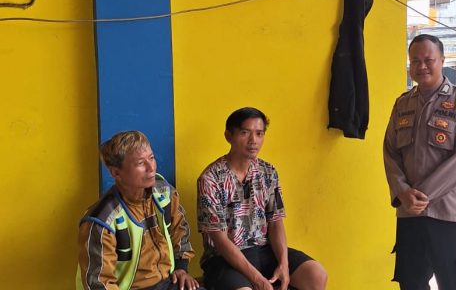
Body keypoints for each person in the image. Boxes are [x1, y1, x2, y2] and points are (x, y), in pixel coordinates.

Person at [384, 34, 456, 290]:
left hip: (448, 213)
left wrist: (422, 195)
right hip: (409, 213)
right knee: (411, 282)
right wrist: (402, 192)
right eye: (415, 61)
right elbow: (390, 152)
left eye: (429, 60)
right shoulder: (402, 104)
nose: (422, 66)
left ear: (442, 60)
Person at [197, 107, 327, 290]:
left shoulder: (268, 172)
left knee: (316, 274)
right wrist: (258, 280)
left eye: (259, 134)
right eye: (245, 133)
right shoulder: (210, 179)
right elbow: (220, 240)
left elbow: (276, 222)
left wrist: (284, 265)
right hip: (223, 258)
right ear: (228, 136)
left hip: (264, 251)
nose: (253, 141)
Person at [77, 131, 201, 290]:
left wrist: (181, 268)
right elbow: (99, 283)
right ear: (115, 172)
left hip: (168, 282)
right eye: (140, 163)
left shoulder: (164, 193)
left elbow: (180, 232)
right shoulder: (101, 220)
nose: (151, 168)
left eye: (152, 158)